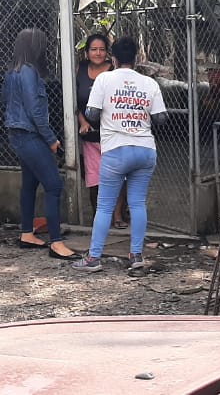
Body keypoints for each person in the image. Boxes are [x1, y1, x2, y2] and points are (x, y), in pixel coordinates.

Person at [72, 36, 168, 273]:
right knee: (137, 203)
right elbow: (161, 118)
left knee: (105, 206)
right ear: (136, 58)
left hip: (116, 150)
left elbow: (92, 114)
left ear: (113, 58)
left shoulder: (105, 79)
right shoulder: (149, 83)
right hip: (145, 150)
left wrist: (113, 109)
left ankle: (94, 258)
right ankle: (136, 256)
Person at [4, 28, 78, 260]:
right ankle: (56, 243)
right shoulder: (28, 71)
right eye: (43, 45)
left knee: (29, 184)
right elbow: (35, 110)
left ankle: (27, 233)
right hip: (30, 135)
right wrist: (51, 139)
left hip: (18, 134)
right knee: (54, 185)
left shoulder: (12, 71)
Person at [76, 33, 126, 230]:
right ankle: (99, 216)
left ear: (108, 52)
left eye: (102, 49)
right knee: (94, 178)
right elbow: (74, 101)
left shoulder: (115, 71)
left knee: (118, 177)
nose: (97, 53)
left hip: (113, 135)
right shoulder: (80, 69)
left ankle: (118, 215)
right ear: (87, 52)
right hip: (90, 136)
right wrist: (82, 122)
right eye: (93, 49)